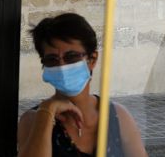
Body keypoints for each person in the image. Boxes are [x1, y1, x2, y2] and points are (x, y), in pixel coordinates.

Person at [17, 13, 148, 157]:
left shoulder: (117, 116)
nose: (62, 66)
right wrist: (48, 110)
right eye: (52, 59)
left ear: (92, 59)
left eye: (71, 57)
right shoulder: (35, 119)